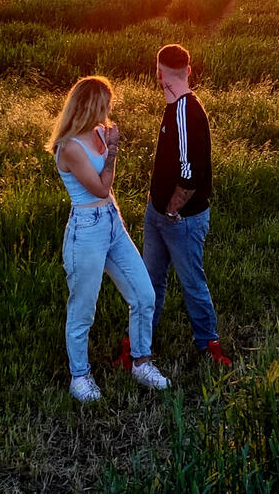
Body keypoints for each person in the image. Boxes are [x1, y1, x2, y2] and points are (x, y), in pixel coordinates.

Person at [49, 75, 170, 402]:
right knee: (83, 309)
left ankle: (141, 362)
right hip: (86, 230)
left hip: (111, 222)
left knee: (144, 293)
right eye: (105, 103)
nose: (109, 109)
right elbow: (101, 187)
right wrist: (113, 151)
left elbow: (108, 188)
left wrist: (109, 144)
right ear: (90, 105)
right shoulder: (70, 147)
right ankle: (79, 376)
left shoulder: (99, 132)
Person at [133, 44, 233, 367]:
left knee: (192, 282)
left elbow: (190, 176)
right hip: (160, 213)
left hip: (181, 219)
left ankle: (208, 345)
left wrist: (172, 211)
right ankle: (139, 342)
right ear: (188, 72)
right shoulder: (175, 105)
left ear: (159, 74)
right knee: (150, 283)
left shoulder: (185, 111)